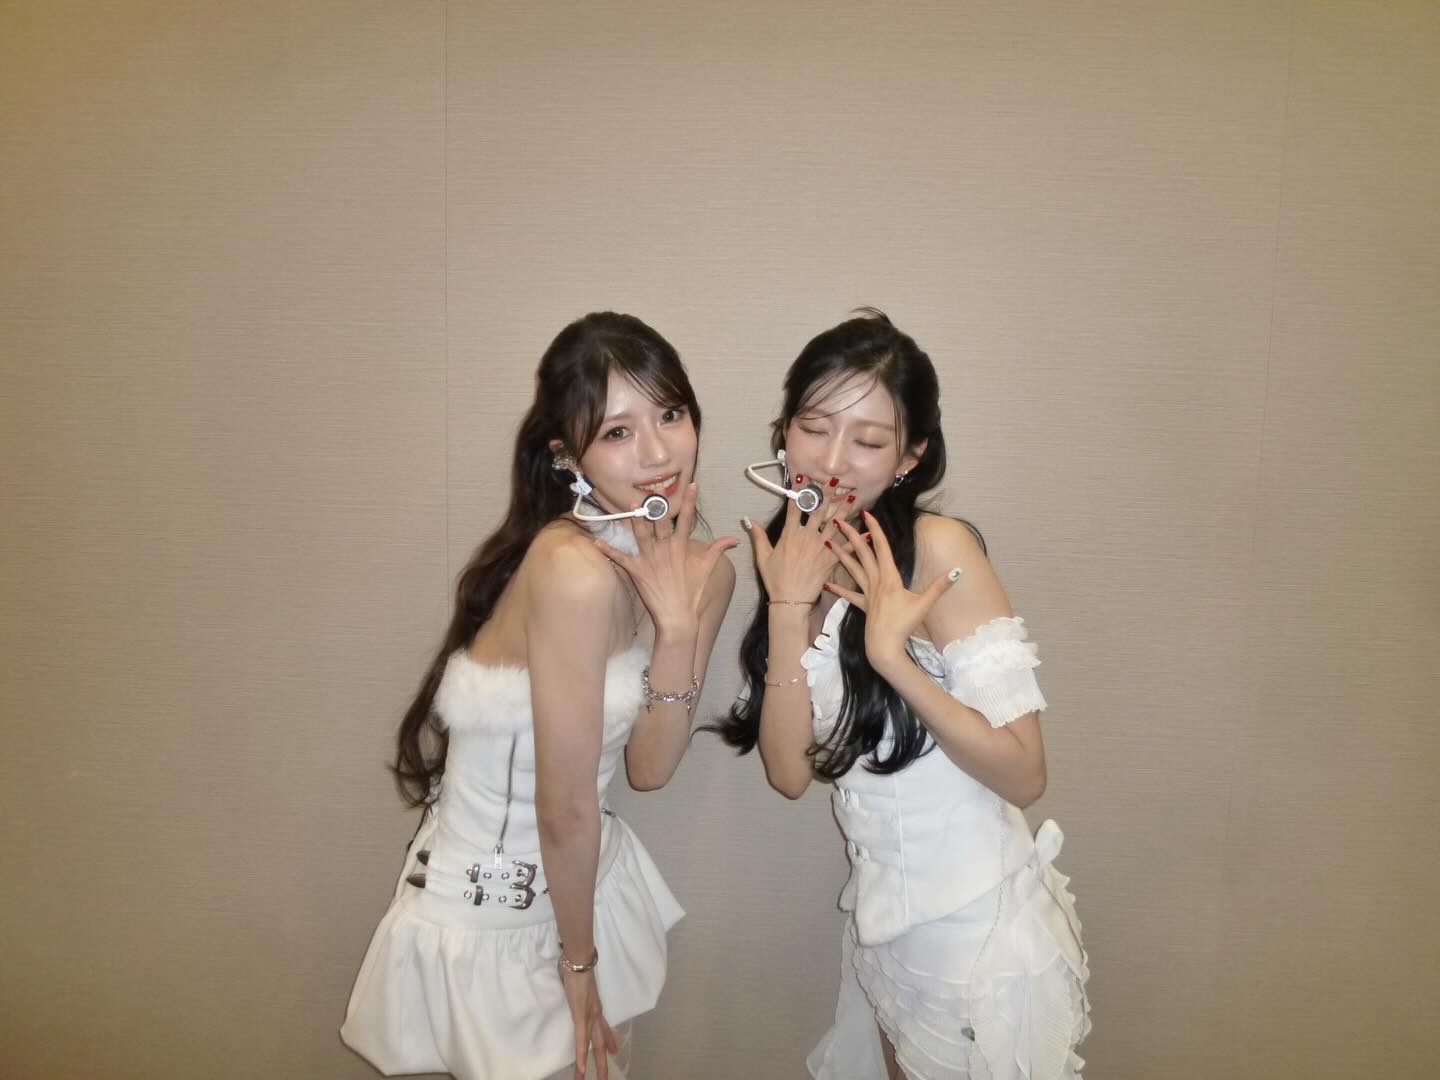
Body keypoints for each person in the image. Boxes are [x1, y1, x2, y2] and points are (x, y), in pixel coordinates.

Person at [342, 312, 737, 1080]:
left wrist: (678, 630)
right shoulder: (568, 567)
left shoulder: (707, 572)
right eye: (617, 432)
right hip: (497, 913)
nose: (658, 453)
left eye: (670, 414)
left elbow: (651, 768)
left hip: (587, 884)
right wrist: (578, 965)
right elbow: (562, 804)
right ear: (567, 456)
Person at [718, 310, 1090, 1080]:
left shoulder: (937, 551)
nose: (832, 461)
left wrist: (895, 659)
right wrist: (787, 605)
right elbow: (789, 773)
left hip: (978, 942)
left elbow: (1025, 773)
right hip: (888, 939)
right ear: (783, 434)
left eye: (868, 440)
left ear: (910, 456)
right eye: (814, 428)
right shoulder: (793, 556)